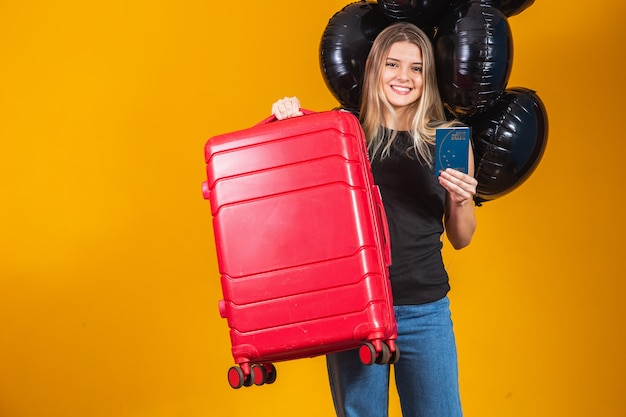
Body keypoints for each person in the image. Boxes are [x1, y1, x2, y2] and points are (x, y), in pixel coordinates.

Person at [272, 22, 477, 417]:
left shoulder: (447, 139)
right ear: (373, 68)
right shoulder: (343, 132)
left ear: (427, 77)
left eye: (416, 68)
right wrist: (289, 123)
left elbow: (461, 238)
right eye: (392, 64)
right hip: (357, 308)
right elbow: (295, 201)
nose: (404, 77)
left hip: (425, 308)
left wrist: (461, 198)